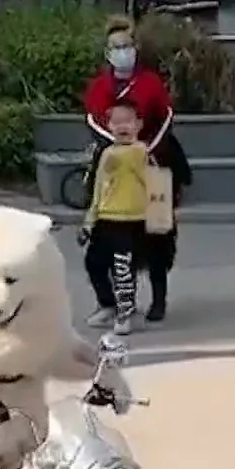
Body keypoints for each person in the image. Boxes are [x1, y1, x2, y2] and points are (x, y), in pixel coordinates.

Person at [84, 17, 190, 324]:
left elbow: (167, 117)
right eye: (116, 47)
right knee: (104, 247)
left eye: (127, 46)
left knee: (158, 235)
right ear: (107, 53)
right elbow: (93, 121)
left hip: (154, 164)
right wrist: (120, 148)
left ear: (136, 48)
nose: (123, 52)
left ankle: (158, 299)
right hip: (113, 167)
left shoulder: (150, 82)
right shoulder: (100, 86)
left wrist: (147, 150)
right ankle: (110, 303)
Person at [79, 99, 152, 335]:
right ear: (108, 126)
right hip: (105, 219)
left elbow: (133, 160)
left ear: (138, 124)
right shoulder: (107, 153)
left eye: (127, 121)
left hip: (131, 220)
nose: (122, 126)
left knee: (123, 269)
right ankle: (108, 305)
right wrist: (89, 222)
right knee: (94, 264)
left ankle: (126, 313)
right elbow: (99, 189)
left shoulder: (140, 151)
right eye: (116, 121)